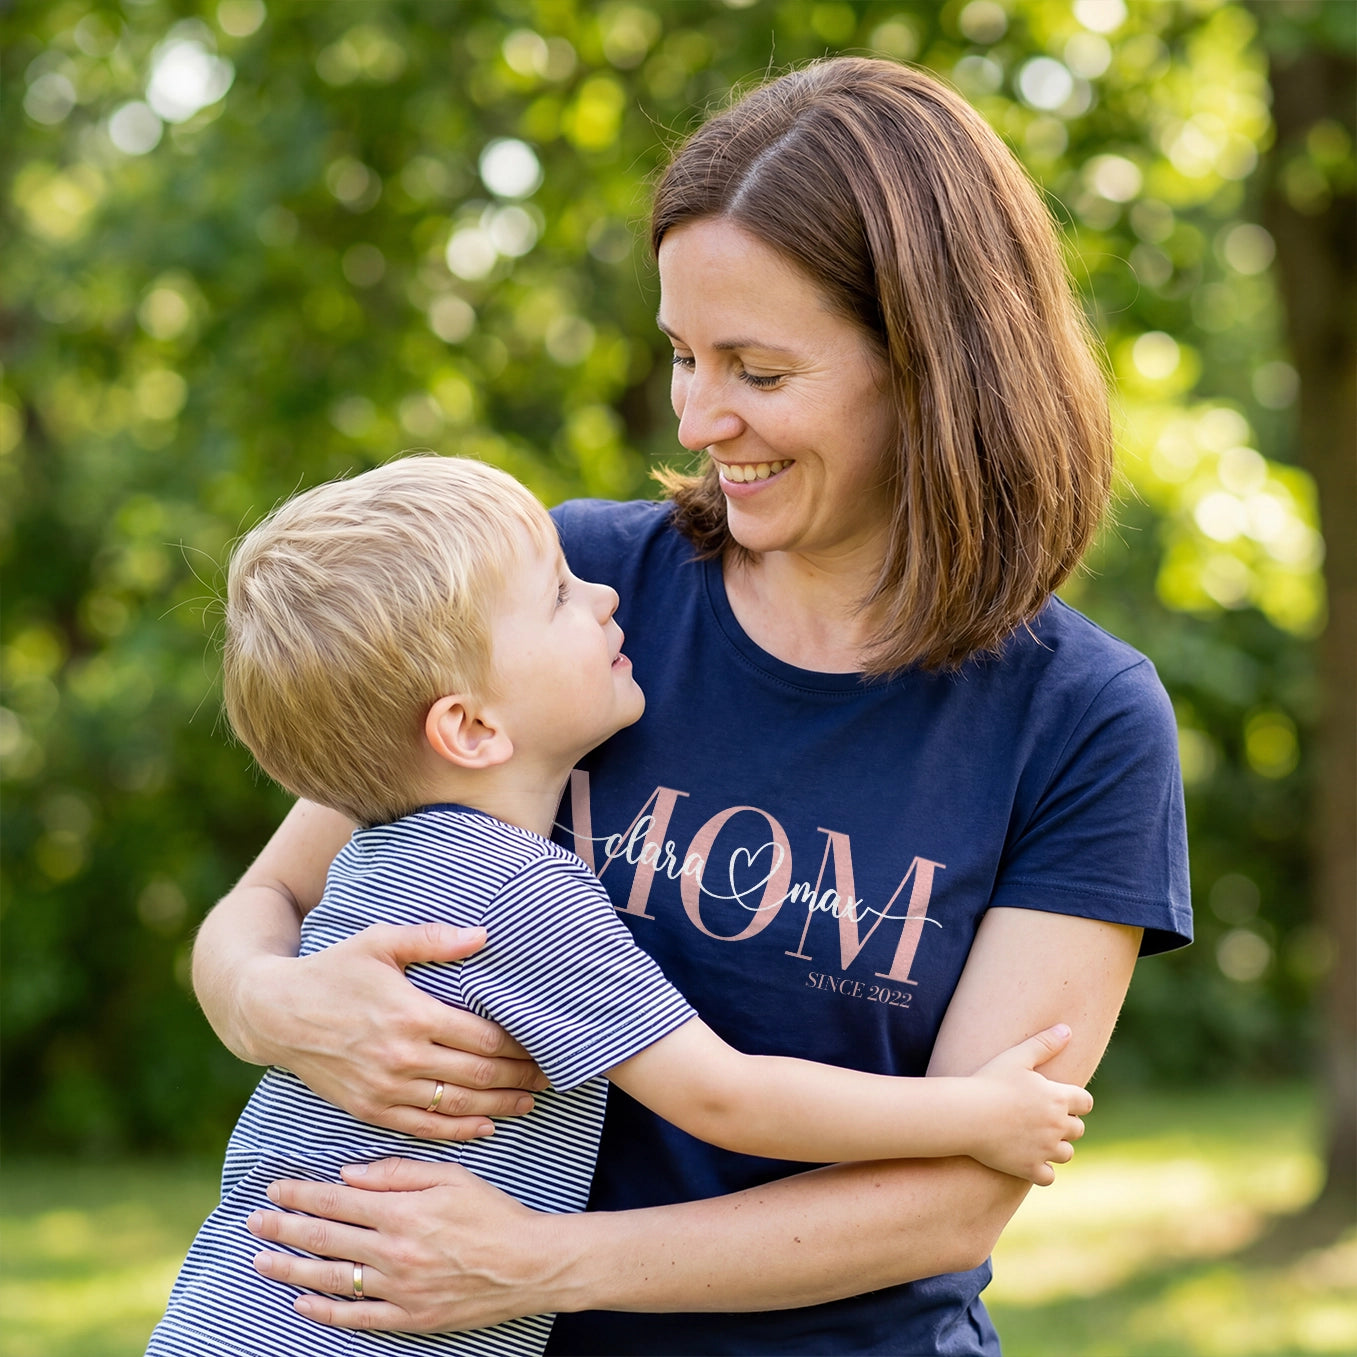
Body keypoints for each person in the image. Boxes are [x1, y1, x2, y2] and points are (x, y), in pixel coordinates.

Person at [191, 57, 1191, 1357]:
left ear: (933, 369)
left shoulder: (1082, 718)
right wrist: (275, 1006)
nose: (699, 416)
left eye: (758, 371)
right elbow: (268, 900)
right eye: (680, 354)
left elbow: (958, 1194)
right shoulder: (568, 602)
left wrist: (537, 1264)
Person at [149, 454, 1093, 1357]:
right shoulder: (518, 892)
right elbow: (724, 1095)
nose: (603, 595)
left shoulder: (375, 855)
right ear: (469, 726)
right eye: (560, 597)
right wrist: (976, 1113)